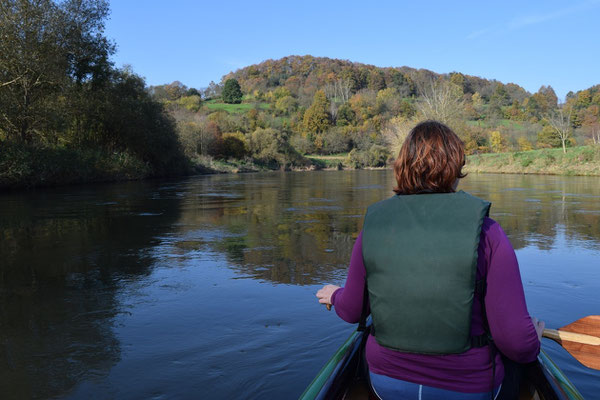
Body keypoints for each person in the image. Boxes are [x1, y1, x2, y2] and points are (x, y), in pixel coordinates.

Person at [316, 120, 544, 400]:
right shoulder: (488, 233)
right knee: (519, 365)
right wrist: (533, 337)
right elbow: (517, 343)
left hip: (386, 383)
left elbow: (352, 311)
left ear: (402, 168)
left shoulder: (372, 229)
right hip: (470, 389)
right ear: (455, 169)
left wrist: (335, 295)